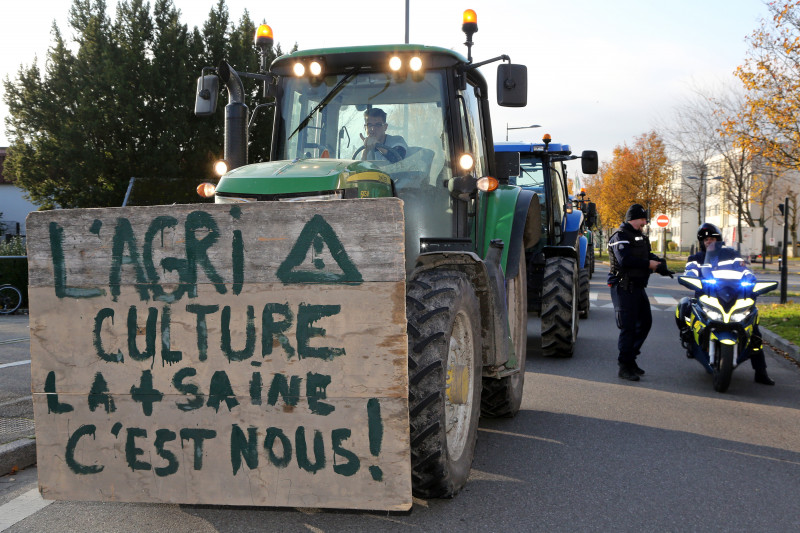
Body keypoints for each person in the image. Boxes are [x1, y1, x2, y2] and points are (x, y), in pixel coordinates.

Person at [679, 223, 775, 385]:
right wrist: (691, 278)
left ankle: (761, 372)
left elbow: (744, 269)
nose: (709, 241)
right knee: (685, 307)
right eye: (705, 239)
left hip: (733, 297)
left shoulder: (731, 254)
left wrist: (750, 280)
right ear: (701, 242)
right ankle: (689, 340)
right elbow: (691, 271)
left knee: (754, 332)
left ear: (718, 239)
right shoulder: (696, 258)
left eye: (712, 238)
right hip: (707, 297)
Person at [608, 204, 673, 381]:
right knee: (628, 327)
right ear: (633, 219)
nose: (645, 223)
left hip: (637, 286)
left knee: (645, 323)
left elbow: (647, 255)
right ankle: (624, 366)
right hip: (623, 287)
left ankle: (631, 359)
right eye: (643, 219)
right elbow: (625, 260)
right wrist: (648, 264)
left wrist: (660, 265)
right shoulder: (620, 236)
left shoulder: (640, 237)